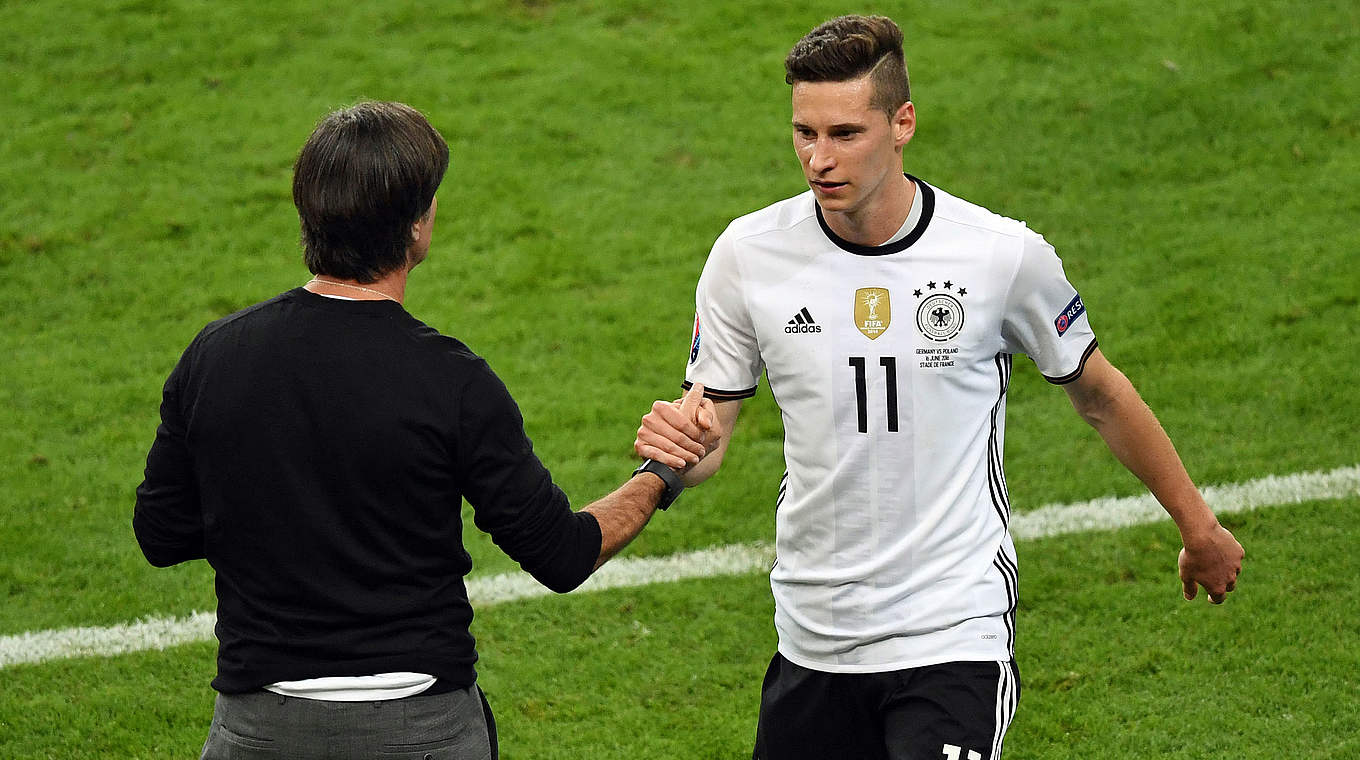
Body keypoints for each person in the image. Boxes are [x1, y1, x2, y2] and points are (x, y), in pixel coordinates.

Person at [634, 15, 1244, 760]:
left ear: (902, 123)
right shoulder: (747, 256)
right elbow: (710, 433)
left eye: (845, 134)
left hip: (952, 629)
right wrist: (677, 451)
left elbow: (1100, 395)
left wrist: (1197, 525)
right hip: (814, 636)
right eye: (804, 133)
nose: (818, 159)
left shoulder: (998, 256)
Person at [134, 100, 713, 760]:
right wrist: (661, 474)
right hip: (422, 731)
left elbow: (162, 534)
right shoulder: (451, 381)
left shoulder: (215, 357)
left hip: (258, 731)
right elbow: (562, 554)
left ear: (308, 214)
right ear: (416, 226)